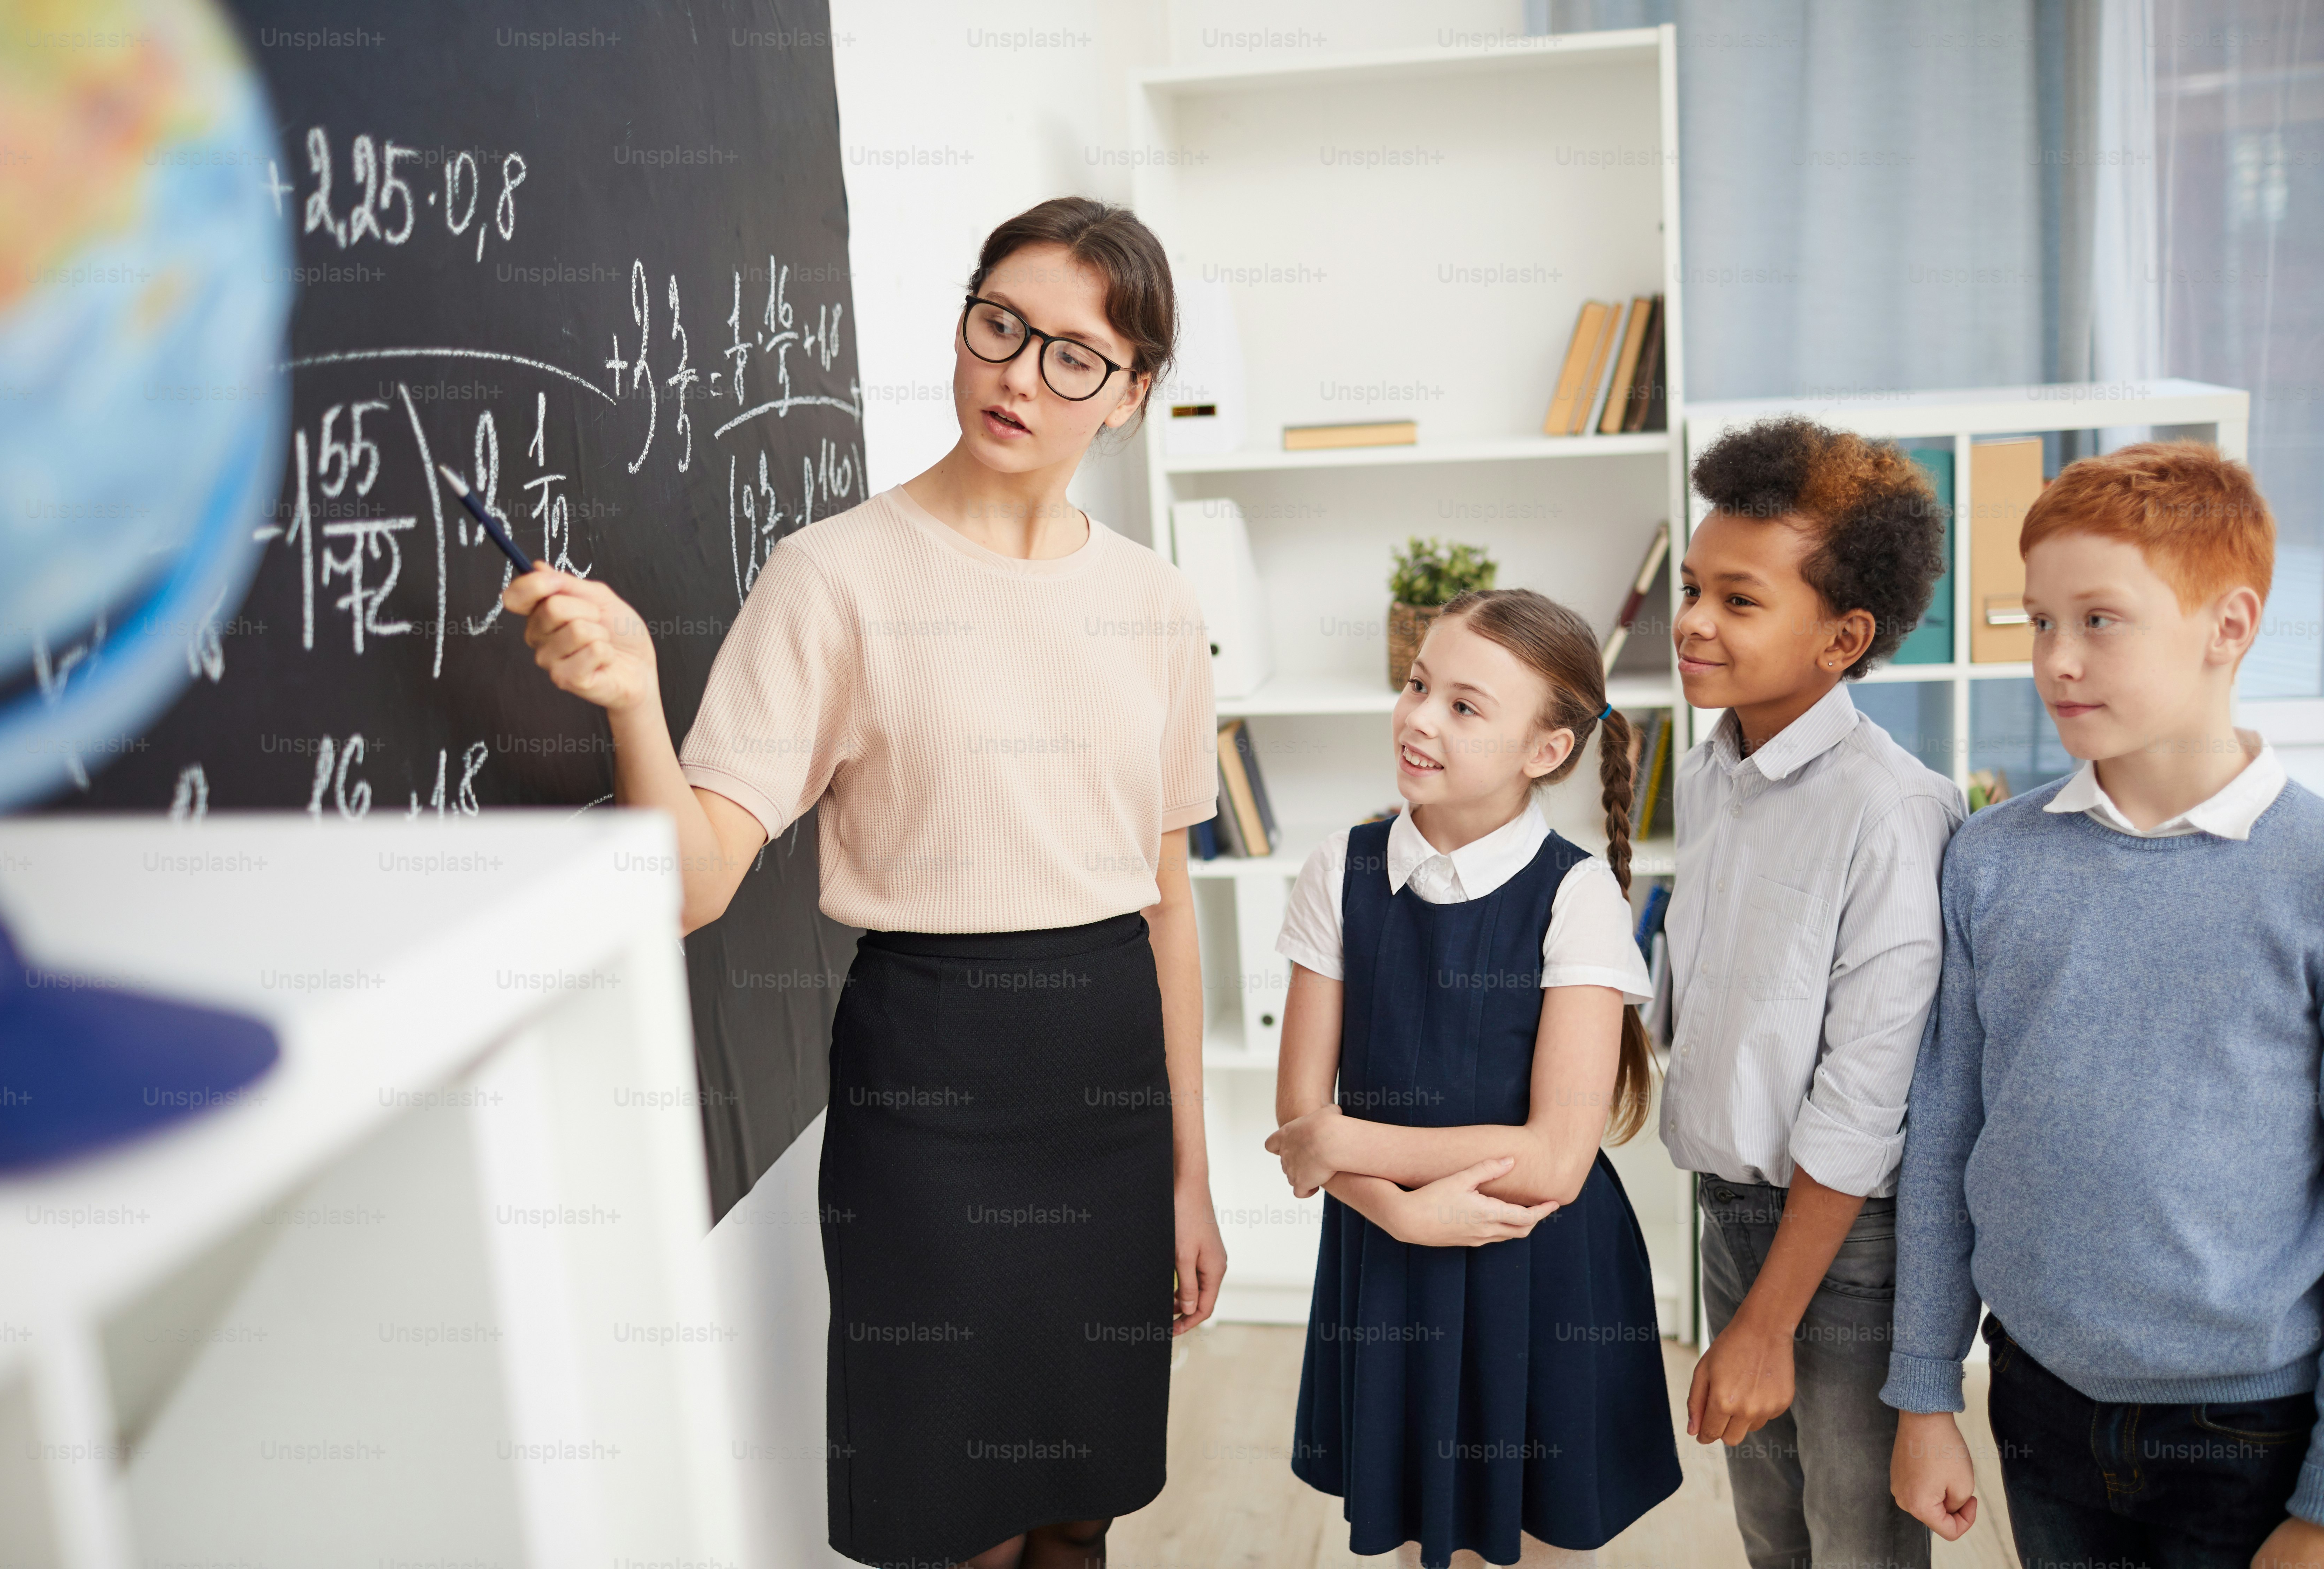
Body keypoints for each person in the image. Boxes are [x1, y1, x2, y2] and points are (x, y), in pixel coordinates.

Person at [502, 196, 1225, 1569]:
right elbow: (692, 884)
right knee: (949, 1517)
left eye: (1075, 354)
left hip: (1111, 1083)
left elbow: (1168, 901)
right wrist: (635, 700)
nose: (1020, 372)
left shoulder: (1161, 605)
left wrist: (1192, 1176)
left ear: (1130, 395)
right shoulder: (832, 575)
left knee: (1085, 1499)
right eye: (999, 322)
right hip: (931, 1076)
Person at [1883, 442, 2324, 1569]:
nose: (2056, 660)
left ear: (2229, 626)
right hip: (2038, 1401)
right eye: (2038, 622)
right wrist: (1928, 1393)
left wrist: (2322, 1506)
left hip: (2252, 1431)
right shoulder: (1989, 859)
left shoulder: (2312, 871)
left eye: (2099, 620)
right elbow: (1943, 1140)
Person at [1264, 588, 1682, 1568]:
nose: (1417, 718)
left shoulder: (1577, 894)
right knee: (1419, 1531)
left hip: (1535, 1261)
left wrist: (1346, 1144)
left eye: (1464, 706)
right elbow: (1298, 1120)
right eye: (1418, 685)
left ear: (1547, 752)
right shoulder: (1341, 869)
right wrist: (1399, 1210)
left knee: (1538, 1535)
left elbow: (1554, 1160)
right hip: (1387, 1249)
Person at [1663, 417, 1961, 1569]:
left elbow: (1863, 1095)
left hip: (1842, 1251)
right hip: (1731, 1217)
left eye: (1739, 601)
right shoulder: (1712, 771)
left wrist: (1767, 1324)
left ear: (1843, 638)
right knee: (1772, 1538)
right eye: (1694, 587)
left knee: (1858, 1550)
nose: (1692, 620)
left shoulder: (1893, 811)